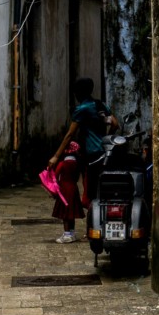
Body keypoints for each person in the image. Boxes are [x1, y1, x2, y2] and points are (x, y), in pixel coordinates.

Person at [47, 78, 117, 244]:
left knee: (89, 193)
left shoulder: (81, 109)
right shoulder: (100, 105)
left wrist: (56, 156)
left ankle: (91, 229)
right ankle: (98, 227)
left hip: (91, 155)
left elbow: (70, 134)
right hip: (104, 153)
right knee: (101, 191)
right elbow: (115, 124)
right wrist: (106, 139)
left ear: (78, 93)